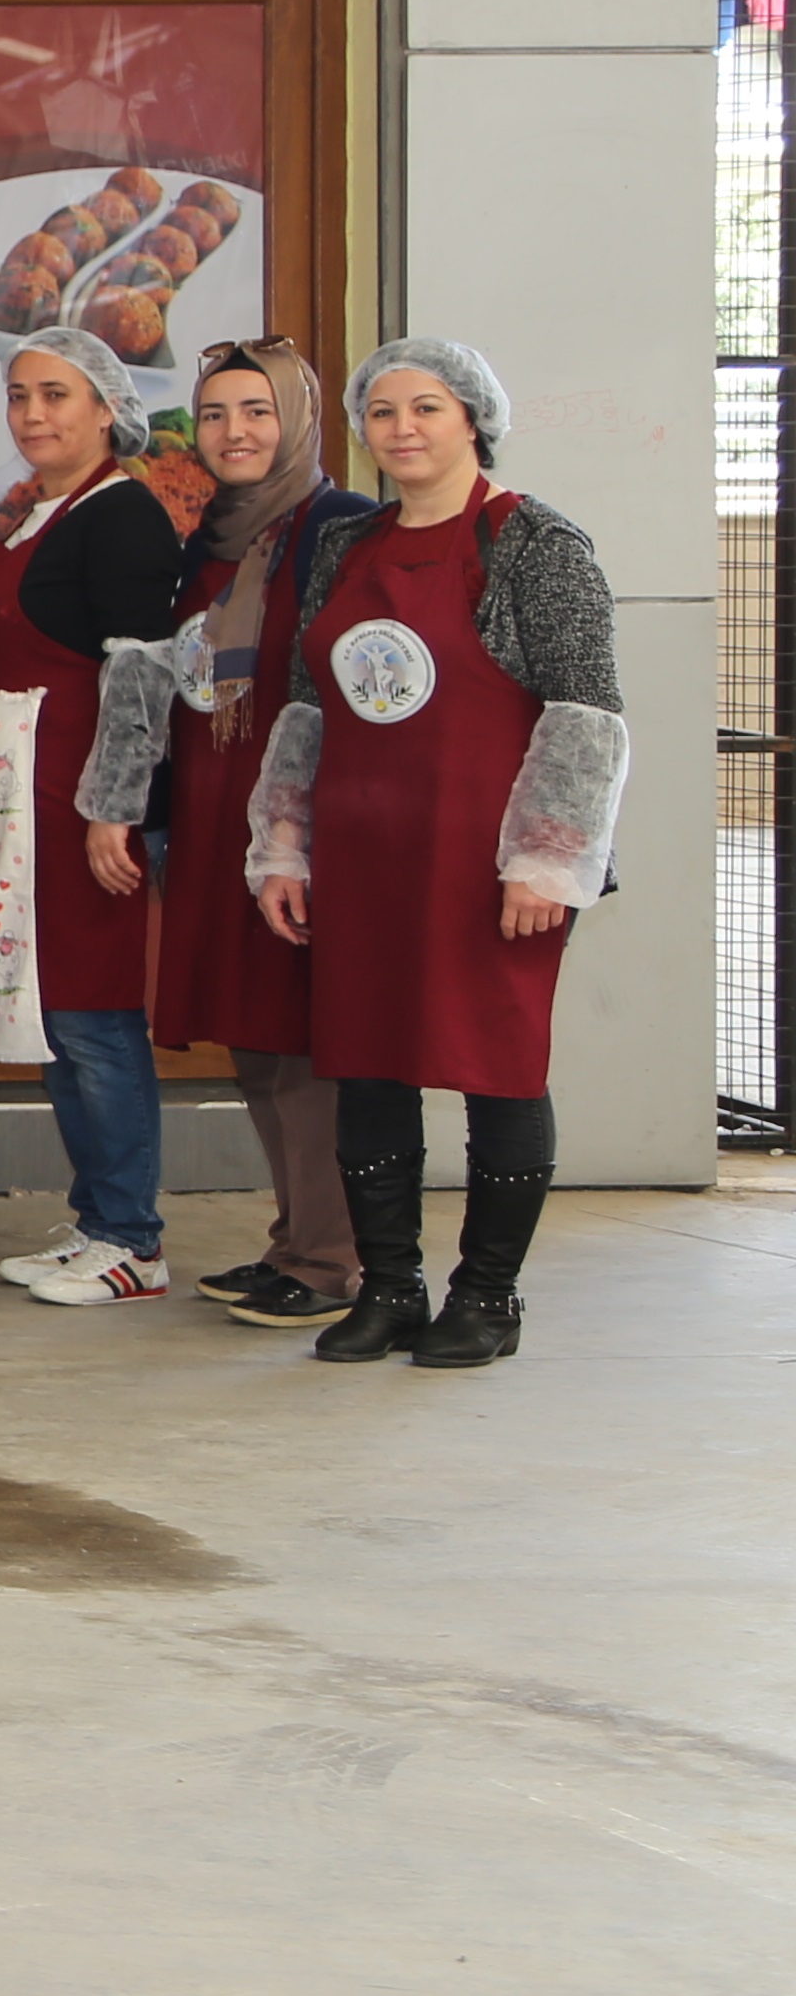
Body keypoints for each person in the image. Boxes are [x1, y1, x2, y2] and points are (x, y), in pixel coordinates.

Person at [252, 338, 627, 1368]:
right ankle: (390, 1289)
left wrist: (547, 860)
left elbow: (586, 713)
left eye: (426, 407)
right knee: (369, 1068)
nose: (402, 428)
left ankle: (488, 1297)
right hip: (363, 857)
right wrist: (283, 846)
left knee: (498, 1069)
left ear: (473, 419)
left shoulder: (535, 543)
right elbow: (307, 707)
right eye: (381, 411)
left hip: (491, 864)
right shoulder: (346, 546)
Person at [84, 339, 371, 1331]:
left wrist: (307, 833)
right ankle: (294, 1242)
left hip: (298, 828)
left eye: (257, 411)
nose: (234, 431)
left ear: (299, 420)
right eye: (214, 414)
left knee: (305, 1045)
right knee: (255, 1042)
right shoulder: (205, 539)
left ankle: (333, 1259)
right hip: (214, 820)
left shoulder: (340, 529)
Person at [0, 326, 197, 1307]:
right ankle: (100, 1218)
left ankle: (133, 1242)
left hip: (83, 810)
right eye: (19, 395)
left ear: (107, 408)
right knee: (60, 1017)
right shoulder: (38, 513)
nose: (32, 414)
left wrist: (115, 811)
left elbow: (143, 674)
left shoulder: (123, 517)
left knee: (96, 1019)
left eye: (55, 395)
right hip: (31, 805)